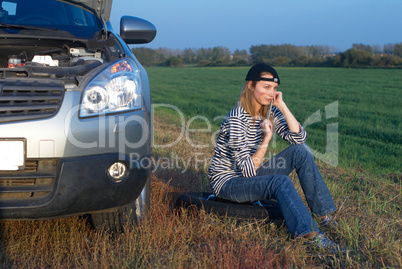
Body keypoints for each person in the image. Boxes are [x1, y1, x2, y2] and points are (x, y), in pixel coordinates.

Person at [208, 63, 340, 251]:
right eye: (266, 87)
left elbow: (299, 138)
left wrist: (282, 105)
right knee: (280, 182)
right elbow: (247, 171)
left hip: (249, 176)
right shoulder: (236, 119)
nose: (271, 93)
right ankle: (311, 235)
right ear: (251, 85)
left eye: (275, 89)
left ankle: (323, 217)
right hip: (228, 183)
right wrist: (266, 139)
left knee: (301, 151)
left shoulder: (269, 112)